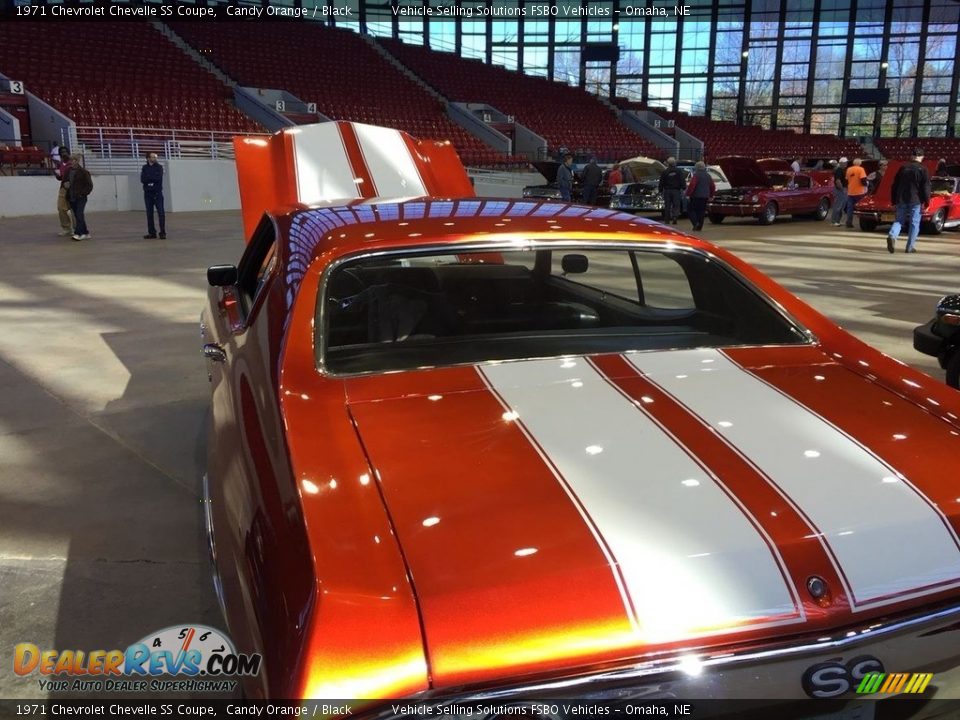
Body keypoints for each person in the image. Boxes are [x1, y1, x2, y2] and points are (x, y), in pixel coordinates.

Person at [886, 149, 931, 254]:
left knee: (899, 221)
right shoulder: (923, 169)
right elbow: (925, 187)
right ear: (922, 157)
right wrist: (927, 202)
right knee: (914, 223)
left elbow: (894, 185)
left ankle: (892, 236)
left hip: (901, 199)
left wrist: (893, 201)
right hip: (916, 200)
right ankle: (910, 247)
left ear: (911, 156)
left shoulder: (903, 167)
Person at [66, 155, 93, 241]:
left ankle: (78, 233)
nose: (73, 161)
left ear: (78, 161)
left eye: (74, 160)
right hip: (71, 196)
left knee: (79, 214)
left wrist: (82, 193)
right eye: (71, 160)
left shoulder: (84, 172)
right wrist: (65, 184)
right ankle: (85, 232)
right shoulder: (68, 171)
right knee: (77, 215)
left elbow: (89, 185)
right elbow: (64, 181)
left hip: (81, 197)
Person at [684, 161, 716, 231]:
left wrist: (688, 194)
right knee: (701, 211)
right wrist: (711, 195)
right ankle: (700, 226)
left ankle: (695, 223)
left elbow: (692, 185)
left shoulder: (696, 175)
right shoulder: (708, 175)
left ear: (697, 167)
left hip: (696, 196)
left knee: (690, 209)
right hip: (705, 196)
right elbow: (712, 186)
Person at [141, 153, 166, 239]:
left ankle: (162, 232)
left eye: (155, 157)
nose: (155, 158)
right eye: (153, 157)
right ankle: (152, 232)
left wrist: (149, 179)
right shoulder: (144, 167)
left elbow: (158, 178)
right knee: (149, 213)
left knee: (161, 213)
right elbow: (143, 179)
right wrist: (150, 179)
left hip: (157, 192)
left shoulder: (159, 167)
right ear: (148, 158)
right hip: (148, 193)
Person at [658, 156, 685, 224]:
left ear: (668, 163)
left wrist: (660, 190)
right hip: (676, 190)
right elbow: (682, 180)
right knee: (676, 205)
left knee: (667, 205)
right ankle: (675, 217)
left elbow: (661, 182)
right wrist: (684, 187)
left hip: (667, 191)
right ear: (674, 163)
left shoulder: (665, 172)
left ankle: (667, 219)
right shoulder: (679, 171)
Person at [844, 158, 868, 228]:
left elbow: (846, 179)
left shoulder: (849, 169)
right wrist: (867, 185)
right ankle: (863, 223)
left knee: (850, 208)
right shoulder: (861, 169)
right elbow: (863, 180)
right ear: (860, 163)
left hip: (850, 191)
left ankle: (849, 222)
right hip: (860, 192)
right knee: (861, 209)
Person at [55, 149, 73, 237]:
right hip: (63, 188)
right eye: (62, 152)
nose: (64, 154)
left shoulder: (73, 163)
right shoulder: (59, 164)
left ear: (68, 153)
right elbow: (59, 177)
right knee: (60, 208)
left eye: (65, 152)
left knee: (74, 209)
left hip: (73, 188)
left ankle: (77, 228)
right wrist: (57, 176)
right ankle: (66, 228)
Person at [830, 157, 849, 226]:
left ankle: (837, 221)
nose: (846, 163)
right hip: (840, 190)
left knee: (841, 206)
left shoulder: (842, 170)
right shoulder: (839, 170)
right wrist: (842, 189)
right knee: (838, 205)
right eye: (845, 162)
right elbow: (838, 181)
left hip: (843, 189)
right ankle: (834, 221)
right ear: (841, 163)